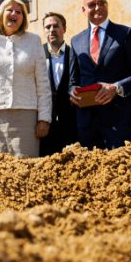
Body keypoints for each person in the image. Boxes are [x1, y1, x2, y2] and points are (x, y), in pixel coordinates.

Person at [0, 0, 51, 157]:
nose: (14, 14)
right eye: (10, 10)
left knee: (27, 165)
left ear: (23, 18)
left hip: (27, 117)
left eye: (19, 12)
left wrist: (44, 118)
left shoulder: (34, 41)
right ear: (1, 14)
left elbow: (43, 83)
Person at [68, 0, 131, 149]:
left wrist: (115, 88)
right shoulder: (76, 41)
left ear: (107, 5)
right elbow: (73, 81)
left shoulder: (125, 33)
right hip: (87, 120)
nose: (98, 8)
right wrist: (72, 91)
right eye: (92, 5)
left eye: (102, 3)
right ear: (83, 10)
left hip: (118, 118)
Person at [39, 11, 78, 155]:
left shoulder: (75, 54)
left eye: (56, 26)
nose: (52, 30)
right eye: (48, 27)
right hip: (44, 124)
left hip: (70, 124)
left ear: (64, 29)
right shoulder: (37, 54)